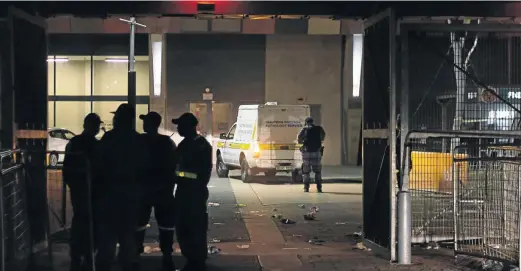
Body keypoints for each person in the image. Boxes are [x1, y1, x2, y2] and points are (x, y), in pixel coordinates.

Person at [95, 103, 148, 271]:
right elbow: (144, 168)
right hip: (131, 193)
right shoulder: (138, 140)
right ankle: (127, 262)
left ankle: (105, 264)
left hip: (110, 192)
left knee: (108, 234)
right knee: (127, 233)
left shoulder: (109, 138)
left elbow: (99, 165)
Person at [135, 112, 177, 270]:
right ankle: (167, 256)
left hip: (143, 191)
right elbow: (174, 164)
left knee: (139, 224)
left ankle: (135, 254)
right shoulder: (167, 142)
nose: (143, 124)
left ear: (151, 124)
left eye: (145, 121)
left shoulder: (139, 141)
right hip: (163, 191)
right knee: (166, 226)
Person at [172, 113, 212, 271]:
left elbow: (199, 176)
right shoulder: (185, 144)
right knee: (183, 228)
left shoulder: (200, 146)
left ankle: (197, 261)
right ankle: (191, 259)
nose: (178, 128)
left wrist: (176, 175)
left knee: (194, 229)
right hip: (184, 193)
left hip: (193, 194)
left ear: (189, 127)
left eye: (180, 125)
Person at [62, 113, 103, 271]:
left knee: (81, 221)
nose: (97, 128)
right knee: (88, 222)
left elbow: (67, 166)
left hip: (82, 190)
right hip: (89, 190)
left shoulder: (76, 142)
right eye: (96, 125)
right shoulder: (93, 144)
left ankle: (79, 255)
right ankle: (86, 254)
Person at [297, 117, 326, 193]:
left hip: (307, 153)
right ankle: (319, 188)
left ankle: (306, 188)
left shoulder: (304, 130)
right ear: (313, 122)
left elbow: (299, 140)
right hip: (316, 153)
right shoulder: (319, 128)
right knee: (318, 171)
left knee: (306, 171)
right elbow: (323, 137)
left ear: (306, 123)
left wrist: (304, 142)